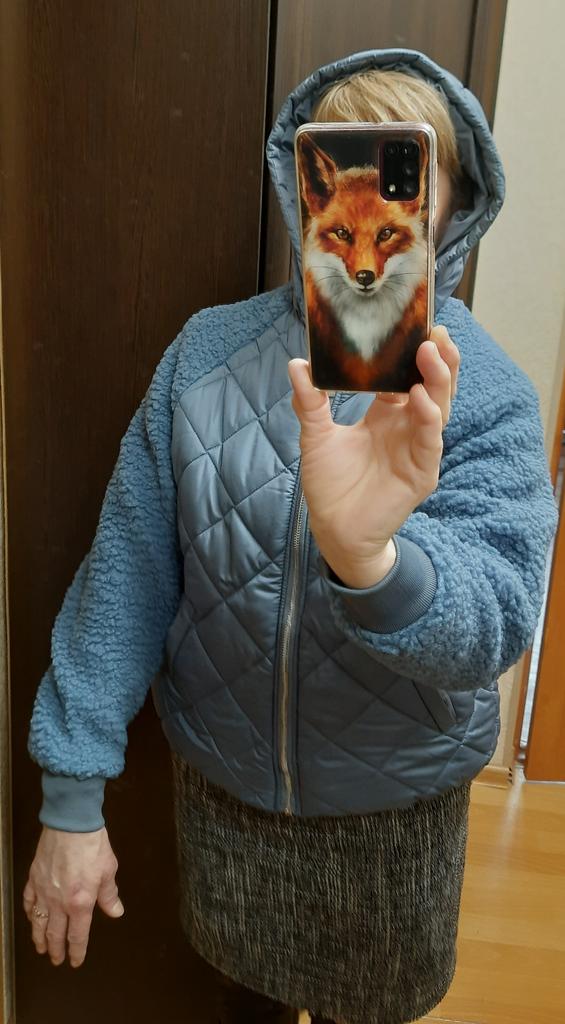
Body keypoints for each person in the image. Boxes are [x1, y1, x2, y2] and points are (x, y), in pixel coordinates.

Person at [23, 48, 557, 1024]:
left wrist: (371, 562)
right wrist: (72, 794)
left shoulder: (484, 391)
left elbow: (495, 624)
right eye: (336, 170)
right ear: (298, 185)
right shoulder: (206, 354)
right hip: (226, 809)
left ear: (448, 203)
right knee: (239, 1003)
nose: (363, 212)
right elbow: (126, 578)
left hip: (391, 829)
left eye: (399, 174)